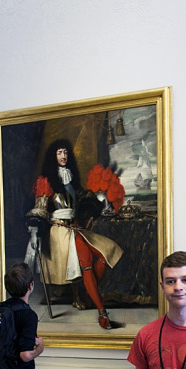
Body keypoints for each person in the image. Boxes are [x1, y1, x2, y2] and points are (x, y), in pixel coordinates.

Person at [31, 140, 124, 329]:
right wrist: (36, 225)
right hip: (58, 231)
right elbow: (40, 209)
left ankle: (86, 294)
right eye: (59, 152)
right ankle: (101, 312)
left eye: (65, 152)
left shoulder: (71, 177)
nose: (63, 156)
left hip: (74, 228)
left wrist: (96, 205)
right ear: (53, 156)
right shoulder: (45, 180)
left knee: (107, 251)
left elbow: (84, 198)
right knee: (86, 260)